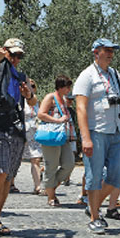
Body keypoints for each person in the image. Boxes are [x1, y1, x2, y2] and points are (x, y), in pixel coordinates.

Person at [0, 38, 35, 238]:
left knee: (7, 177)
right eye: (12, 54)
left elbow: (33, 99)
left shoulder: (21, 76)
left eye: (19, 55)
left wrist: (28, 94)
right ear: (5, 52)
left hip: (16, 128)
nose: (15, 59)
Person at [73, 38, 120, 234]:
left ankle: (93, 206)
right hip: (96, 131)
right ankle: (95, 217)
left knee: (118, 173)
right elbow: (80, 108)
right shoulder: (86, 76)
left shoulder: (113, 74)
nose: (111, 54)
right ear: (96, 52)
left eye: (113, 50)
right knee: (94, 176)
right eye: (107, 50)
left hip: (116, 130)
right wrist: (85, 137)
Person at [37, 74, 75, 207]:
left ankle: (50, 188)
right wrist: (57, 120)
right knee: (51, 166)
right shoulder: (50, 97)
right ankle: (51, 196)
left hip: (63, 136)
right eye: (67, 87)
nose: (69, 90)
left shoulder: (63, 99)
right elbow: (41, 113)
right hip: (51, 136)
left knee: (69, 164)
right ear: (60, 87)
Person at [22, 78, 44, 195]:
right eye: (28, 85)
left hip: (35, 134)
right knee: (15, 159)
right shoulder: (19, 101)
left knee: (36, 159)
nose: (31, 88)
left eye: (33, 86)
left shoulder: (36, 102)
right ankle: (10, 182)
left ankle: (37, 186)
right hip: (21, 133)